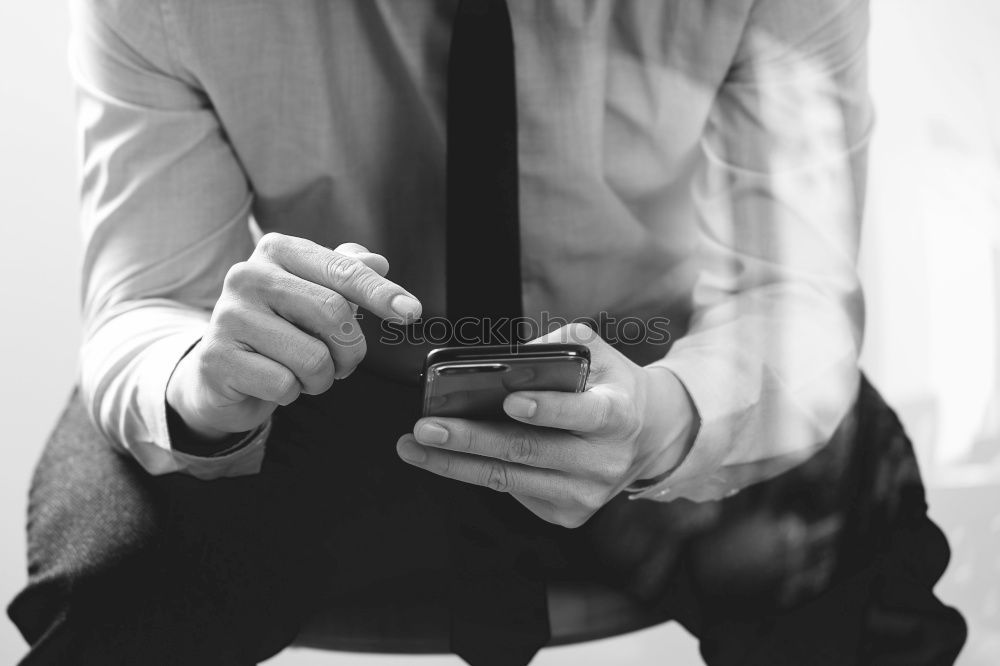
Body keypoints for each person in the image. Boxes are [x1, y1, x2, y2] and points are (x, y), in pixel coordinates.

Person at [9, 0, 966, 664]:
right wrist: (202, 387)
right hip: (324, 393)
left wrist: (668, 418)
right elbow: (146, 303)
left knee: (861, 577)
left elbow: (794, 297)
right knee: (111, 580)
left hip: (659, 367)